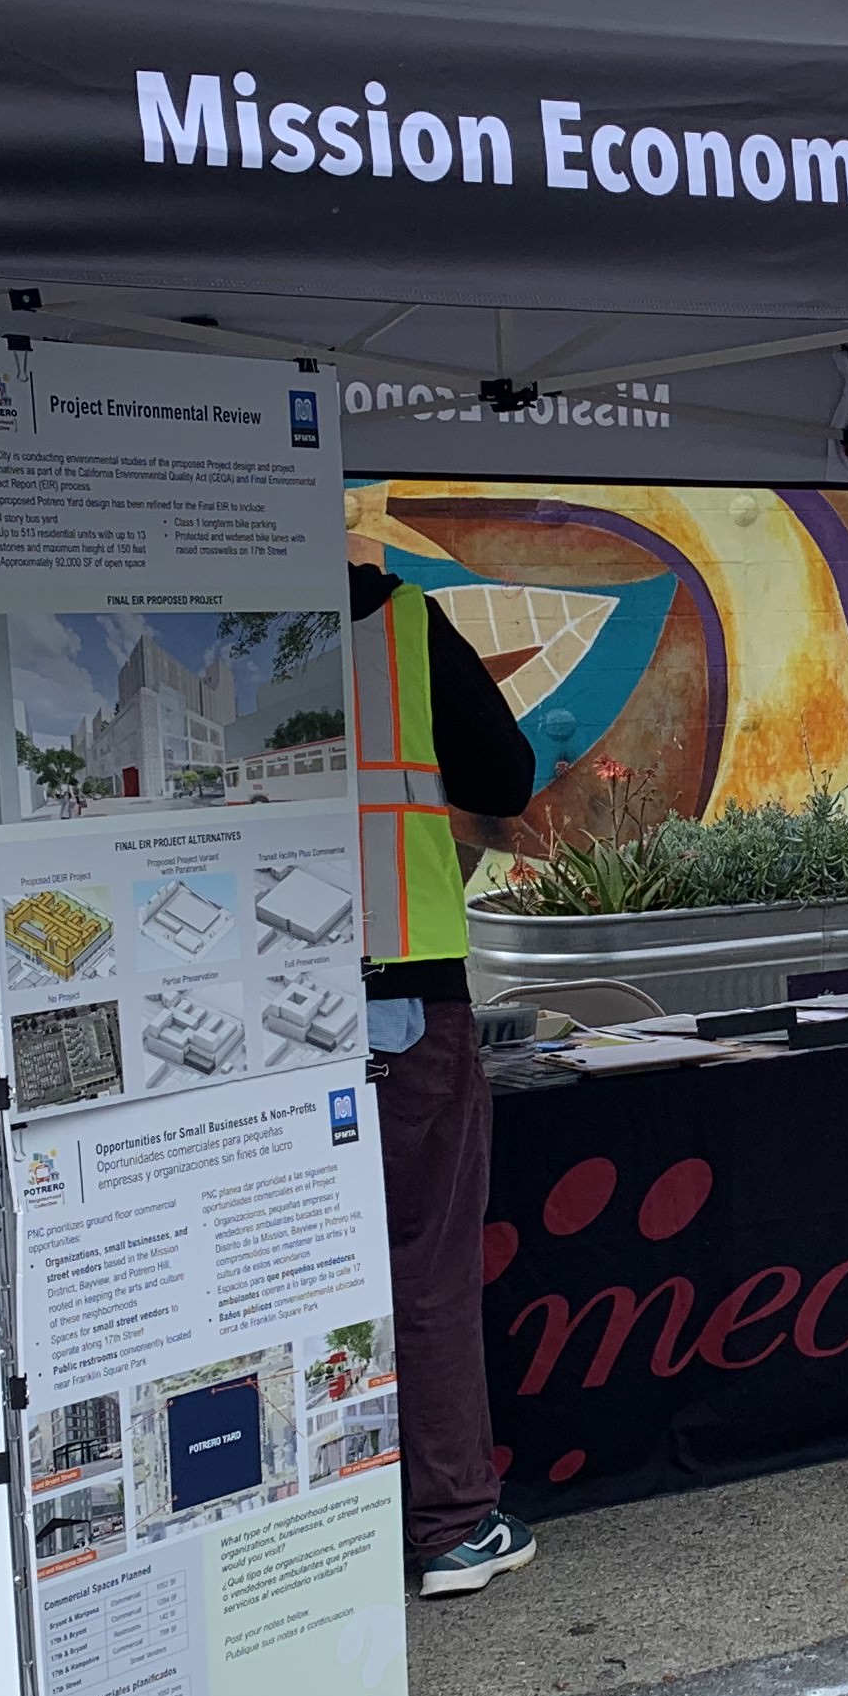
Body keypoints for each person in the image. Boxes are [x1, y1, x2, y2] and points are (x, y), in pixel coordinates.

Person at [348, 547, 544, 1596]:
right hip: (401, 984)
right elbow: (501, 776)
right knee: (424, 1261)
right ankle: (452, 1525)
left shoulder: (199, 617)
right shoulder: (400, 622)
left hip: (244, 1006)